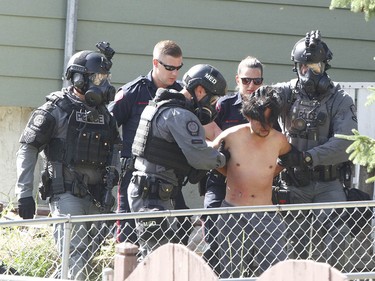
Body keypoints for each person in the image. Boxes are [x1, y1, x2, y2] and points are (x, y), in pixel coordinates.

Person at [15, 42, 120, 280]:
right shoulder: (55, 110)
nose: (102, 84)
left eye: (105, 77)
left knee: (82, 259)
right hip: (66, 193)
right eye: (96, 78)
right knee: (74, 256)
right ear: (79, 79)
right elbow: (28, 148)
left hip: (98, 196)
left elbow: (115, 146)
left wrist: (112, 180)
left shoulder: (105, 114)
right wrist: (24, 193)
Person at [274, 30, 358, 269]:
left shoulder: (340, 98)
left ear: (325, 67)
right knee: (291, 245)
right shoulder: (287, 91)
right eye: (304, 67)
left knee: (337, 239)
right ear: (296, 67)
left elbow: (345, 143)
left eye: (315, 66)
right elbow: (262, 106)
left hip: (328, 183)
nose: (309, 73)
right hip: (293, 183)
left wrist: (306, 157)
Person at [128, 64, 230, 258]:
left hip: (153, 190)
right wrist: (224, 158)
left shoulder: (159, 105)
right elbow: (200, 158)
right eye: (213, 98)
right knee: (158, 256)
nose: (212, 104)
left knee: (172, 241)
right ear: (200, 90)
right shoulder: (180, 115)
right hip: (154, 194)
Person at [110, 40, 188, 244]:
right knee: (130, 236)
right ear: (155, 63)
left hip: (169, 176)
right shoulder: (133, 92)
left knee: (181, 228)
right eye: (169, 67)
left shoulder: (181, 94)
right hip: (135, 177)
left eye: (178, 68)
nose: (174, 73)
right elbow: (107, 128)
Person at [211, 86, 291, 278]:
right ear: (248, 116)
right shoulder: (230, 136)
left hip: (267, 213)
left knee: (275, 269)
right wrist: (231, 171)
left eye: (270, 121)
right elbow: (211, 159)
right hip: (232, 211)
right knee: (232, 270)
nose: (265, 126)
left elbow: (287, 162)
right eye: (261, 121)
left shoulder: (279, 141)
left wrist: (265, 173)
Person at [201, 56, 266, 274]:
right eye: (246, 80)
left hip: (254, 185)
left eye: (257, 82)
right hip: (221, 179)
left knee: (252, 245)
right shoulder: (223, 106)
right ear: (237, 80)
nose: (251, 86)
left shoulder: (268, 110)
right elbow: (205, 138)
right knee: (213, 229)